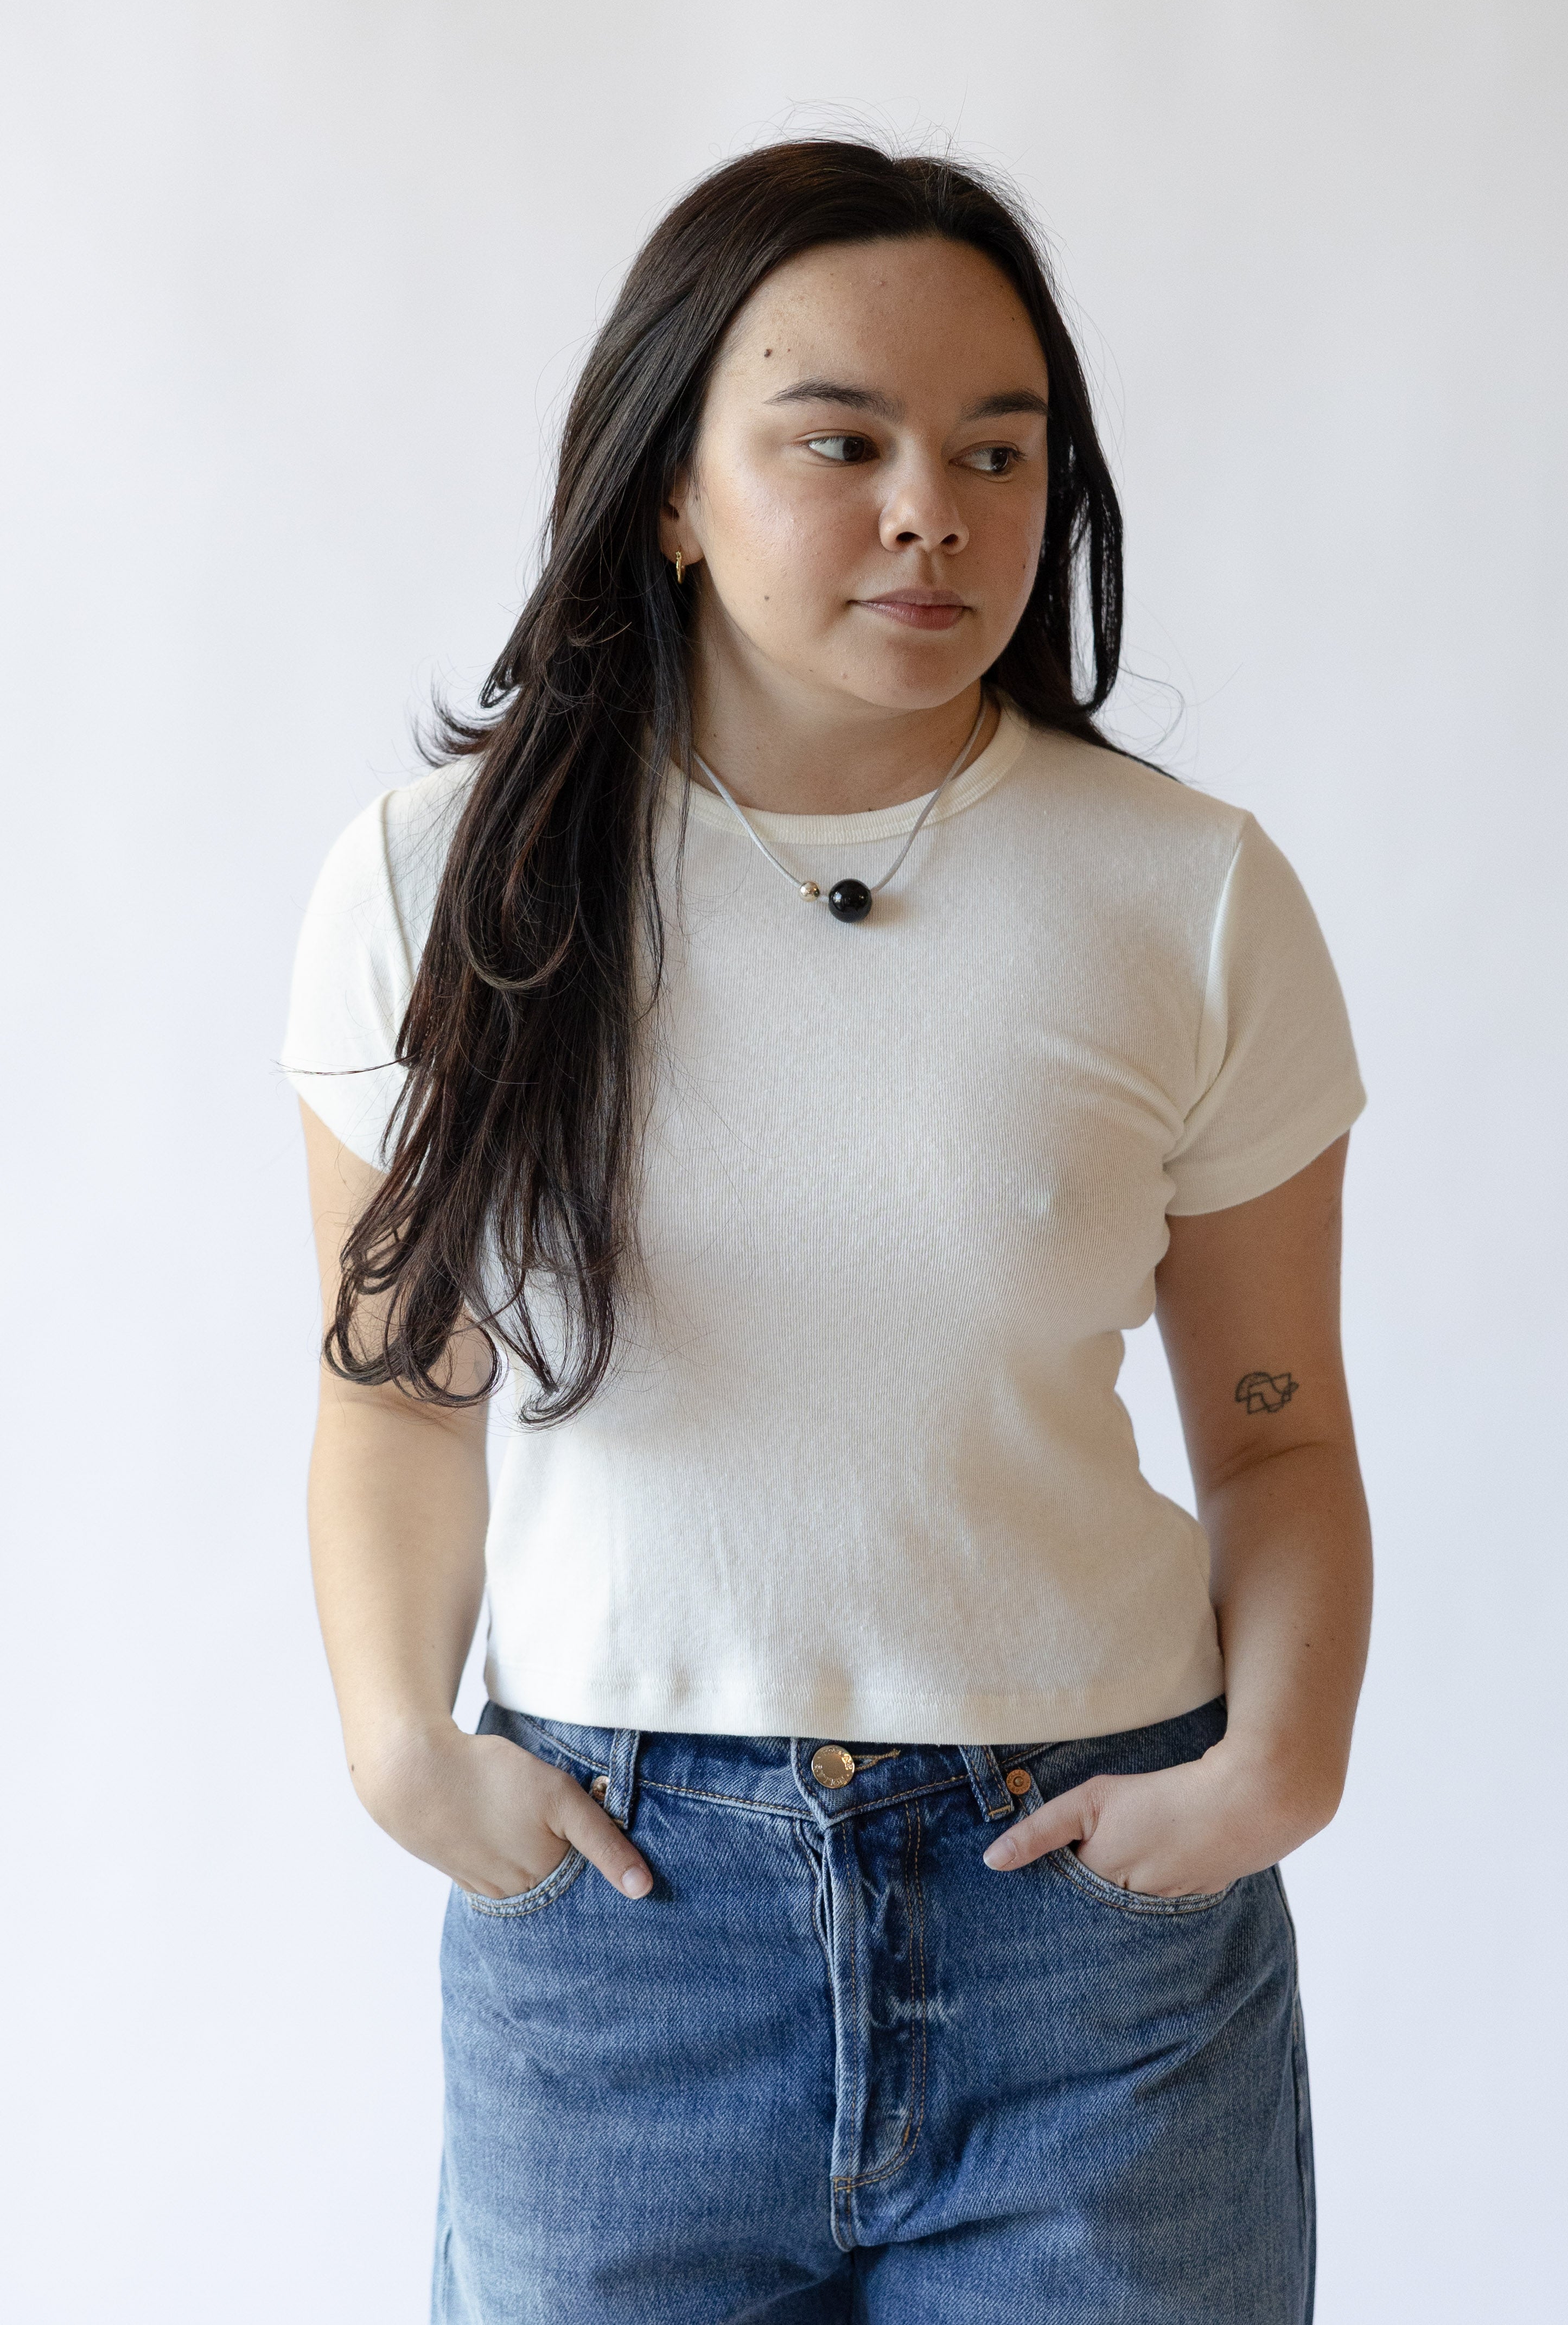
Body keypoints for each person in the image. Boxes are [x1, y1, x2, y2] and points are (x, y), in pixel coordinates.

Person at [285, 138, 1370, 2324]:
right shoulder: (441, 885)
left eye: (996, 450)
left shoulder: (1188, 894)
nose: (929, 510)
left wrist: (1276, 1761)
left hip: (1089, 1938)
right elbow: (396, 1400)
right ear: (669, 490)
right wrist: (401, 1741)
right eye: (838, 440)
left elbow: (1274, 1431)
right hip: (620, 1931)